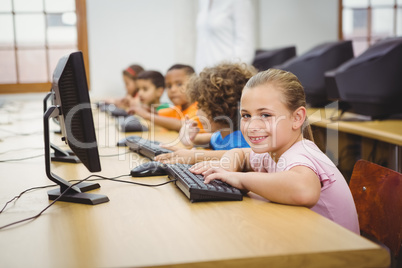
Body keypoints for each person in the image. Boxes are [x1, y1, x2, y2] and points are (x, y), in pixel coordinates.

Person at [190, 68, 360, 234]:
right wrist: (227, 167)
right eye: (246, 115)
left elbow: (304, 190)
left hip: (337, 255)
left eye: (265, 115)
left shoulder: (300, 154)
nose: (252, 126)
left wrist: (239, 178)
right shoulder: (272, 151)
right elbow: (240, 153)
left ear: (297, 118)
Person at [155, 62, 257, 165]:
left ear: (224, 110)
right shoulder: (223, 135)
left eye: (201, 107)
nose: (198, 113)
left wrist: (196, 156)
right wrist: (189, 137)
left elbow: (244, 156)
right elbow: (205, 139)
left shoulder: (243, 140)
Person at [129, 64, 203, 132]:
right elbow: (160, 115)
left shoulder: (199, 109)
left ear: (194, 84)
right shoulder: (177, 108)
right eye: (169, 86)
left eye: (179, 84)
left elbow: (182, 124)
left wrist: (146, 115)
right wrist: (149, 111)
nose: (172, 90)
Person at [195, 0, 255, 73]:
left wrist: (235, 74)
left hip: (227, 75)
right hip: (204, 75)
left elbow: (245, 44)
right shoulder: (203, 2)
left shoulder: (240, 1)